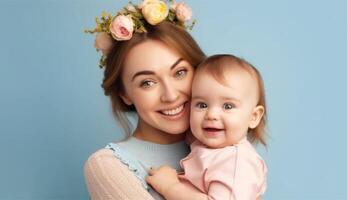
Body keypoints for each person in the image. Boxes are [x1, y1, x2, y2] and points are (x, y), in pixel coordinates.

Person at [83, 1, 205, 199]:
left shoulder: (222, 145)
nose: (171, 95)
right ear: (124, 94)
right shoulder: (108, 166)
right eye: (147, 83)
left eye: (180, 72)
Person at [146, 54, 268, 200]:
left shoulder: (237, 163)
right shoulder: (207, 147)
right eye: (202, 105)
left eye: (228, 106)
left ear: (253, 117)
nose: (211, 114)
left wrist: (170, 187)